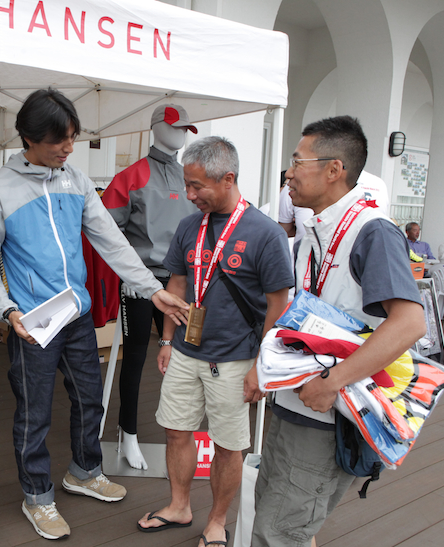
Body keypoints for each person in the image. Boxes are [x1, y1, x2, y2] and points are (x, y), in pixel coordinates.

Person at [0, 88, 189, 541]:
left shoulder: (75, 180)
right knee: (34, 413)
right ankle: (37, 496)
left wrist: (153, 290)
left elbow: (112, 240)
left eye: (72, 137)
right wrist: (6, 310)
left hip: (76, 315)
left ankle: (85, 471)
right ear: (29, 138)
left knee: (91, 398)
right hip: (32, 323)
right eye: (59, 139)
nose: (69, 148)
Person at [251, 116, 426, 547]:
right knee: (276, 516)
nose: (289, 174)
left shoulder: (372, 231)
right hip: (296, 401)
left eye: (298, 161)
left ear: (334, 170)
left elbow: (410, 323)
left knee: (279, 532)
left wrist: (331, 382)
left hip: (328, 412)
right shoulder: (314, 231)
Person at [136, 136, 293, 547]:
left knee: (227, 446)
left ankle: (217, 521)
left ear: (228, 179)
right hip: (185, 351)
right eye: (186, 185)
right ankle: (179, 506)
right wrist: (166, 340)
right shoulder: (190, 226)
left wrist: (262, 366)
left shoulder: (266, 233)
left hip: (236, 358)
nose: (189, 195)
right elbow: (177, 282)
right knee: (176, 430)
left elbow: (278, 305)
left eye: (197, 186)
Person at [100, 103, 198, 470]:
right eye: (175, 127)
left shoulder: (190, 176)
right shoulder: (131, 177)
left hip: (184, 283)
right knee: (135, 359)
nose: (181, 134)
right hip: (142, 283)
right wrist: (128, 275)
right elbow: (105, 230)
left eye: (185, 129)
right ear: (157, 127)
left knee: (188, 356)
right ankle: (128, 435)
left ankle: (182, 435)